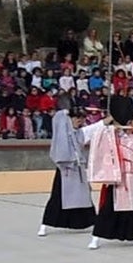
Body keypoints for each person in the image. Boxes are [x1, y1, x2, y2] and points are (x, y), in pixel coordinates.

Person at [86, 95, 133, 250]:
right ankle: (96, 237)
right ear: (127, 123)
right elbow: (94, 134)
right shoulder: (111, 136)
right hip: (117, 177)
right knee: (109, 208)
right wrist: (110, 123)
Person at [38, 97, 111, 237]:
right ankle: (45, 225)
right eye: (77, 119)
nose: (80, 122)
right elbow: (59, 117)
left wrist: (109, 119)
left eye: (82, 120)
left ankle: (91, 222)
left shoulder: (79, 133)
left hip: (78, 170)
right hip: (65, 171)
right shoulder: (62, 131)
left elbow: (95, 127)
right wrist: (68, 111)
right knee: (58, 198)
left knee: (84, 198)